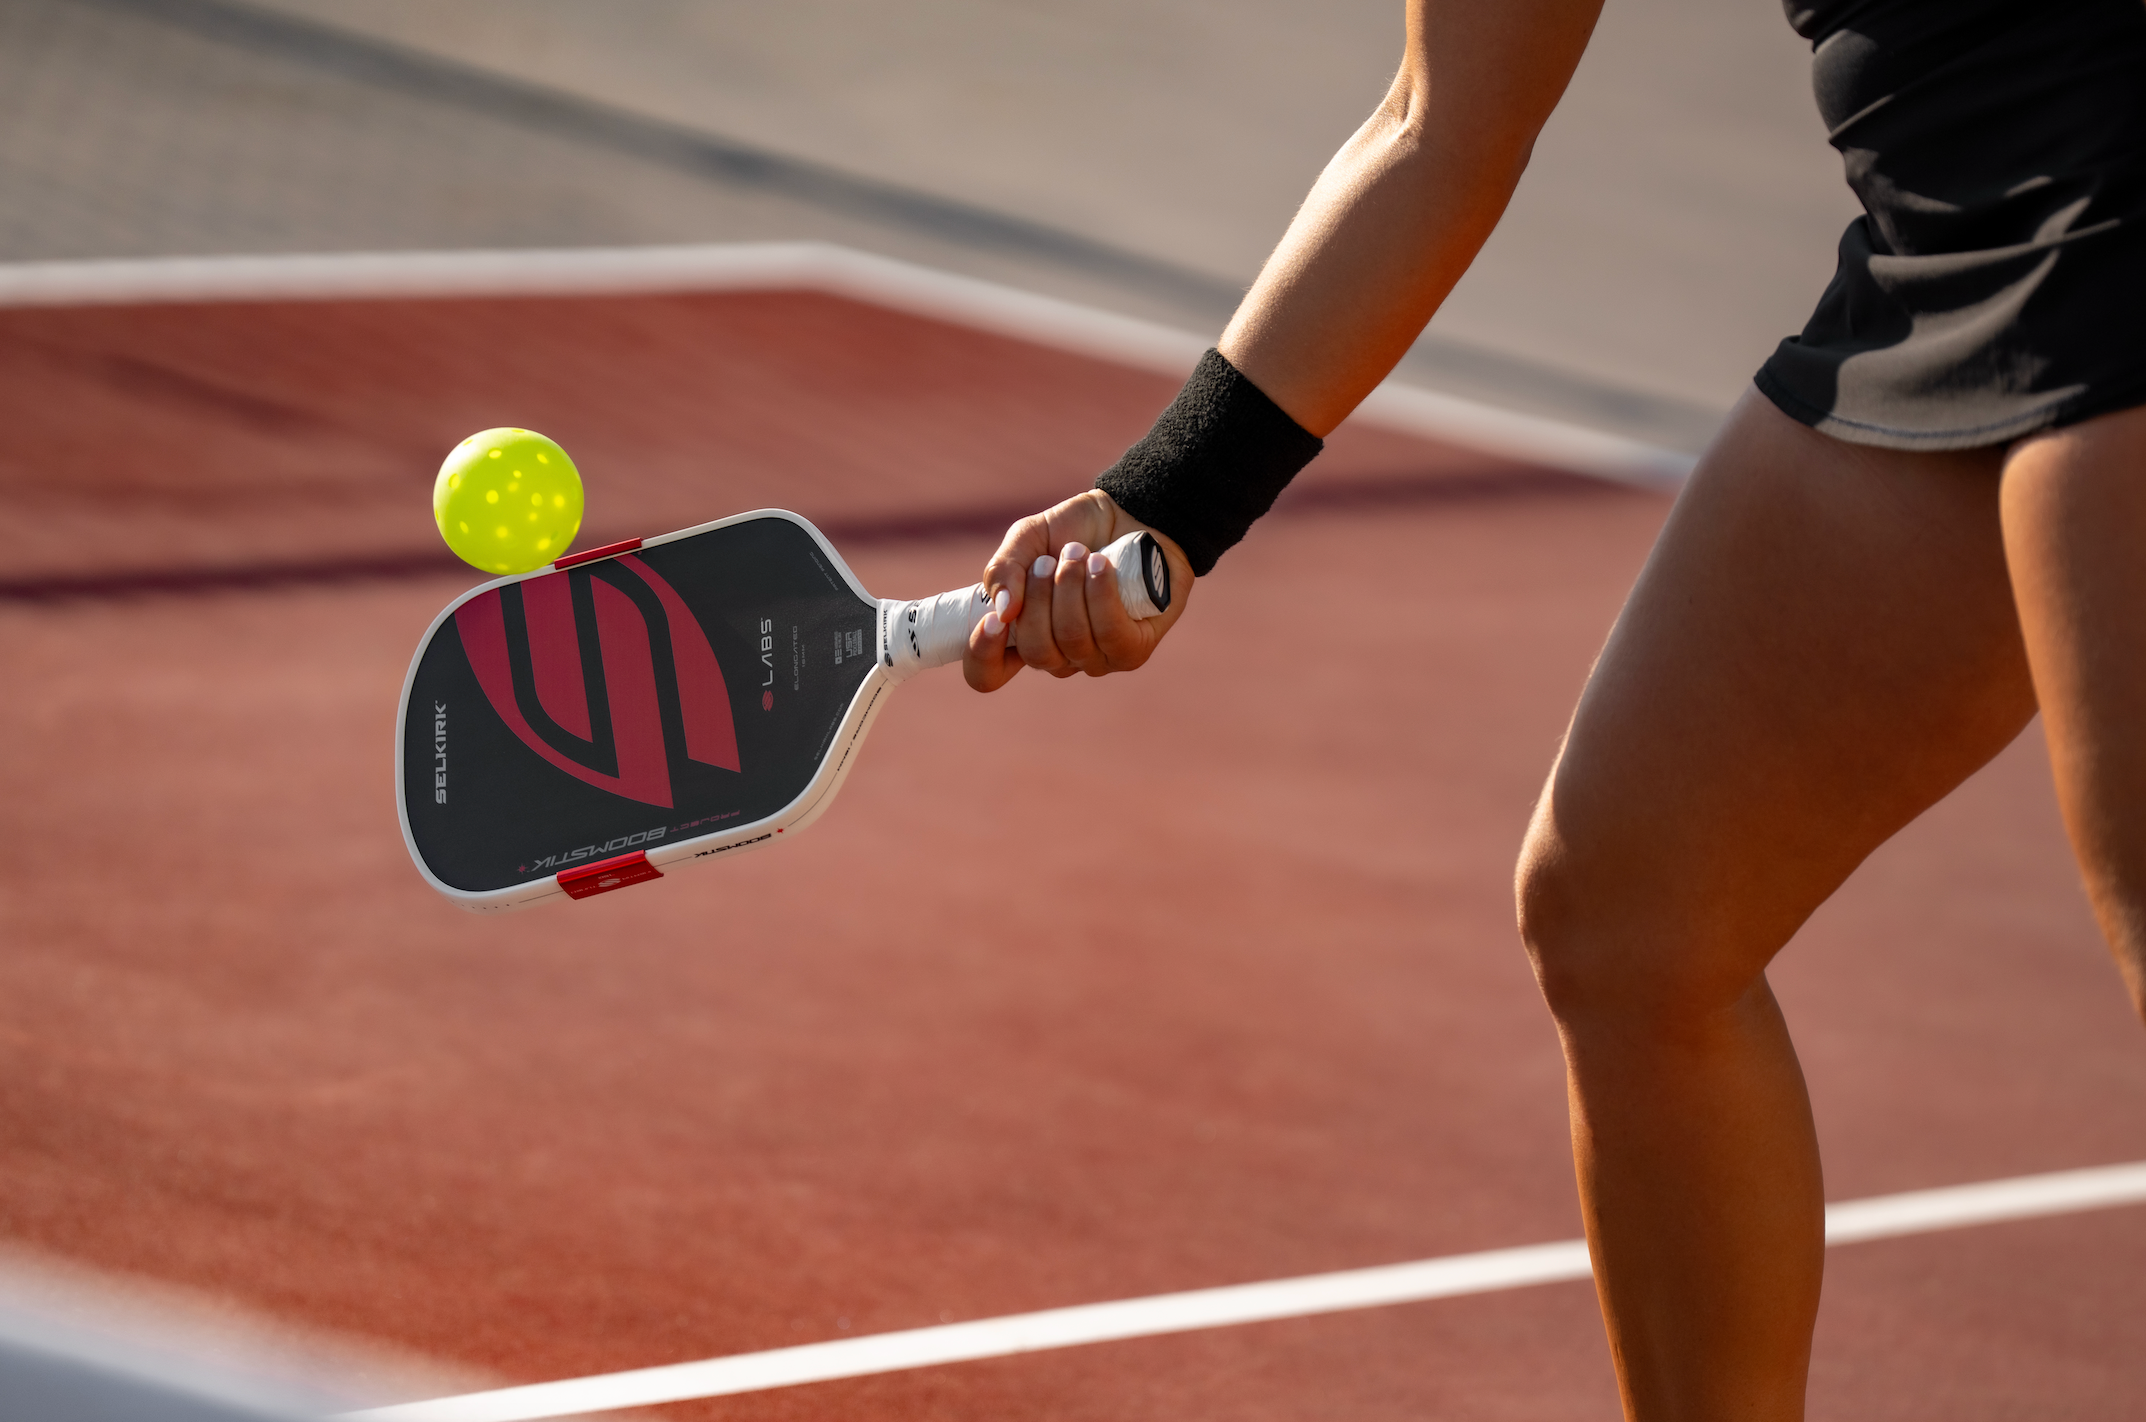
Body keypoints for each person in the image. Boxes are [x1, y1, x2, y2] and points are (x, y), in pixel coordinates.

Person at [959, 0, 2146, 1416]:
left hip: (2121, 212)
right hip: (1956, 249)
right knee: (1634, 911)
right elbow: (1438, 120)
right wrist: (1166, 503)